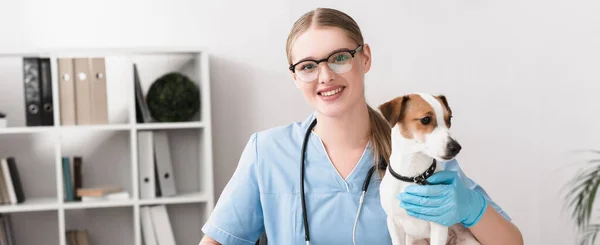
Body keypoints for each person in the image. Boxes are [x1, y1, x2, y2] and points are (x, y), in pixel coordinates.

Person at [199, 7, 523, 245]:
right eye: (308, 66)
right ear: (295, 77)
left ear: (364, 58)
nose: (325, 76)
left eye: (339, 57)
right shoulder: (268, 153)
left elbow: (511, 241)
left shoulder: (416, 153)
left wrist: (471, 208)